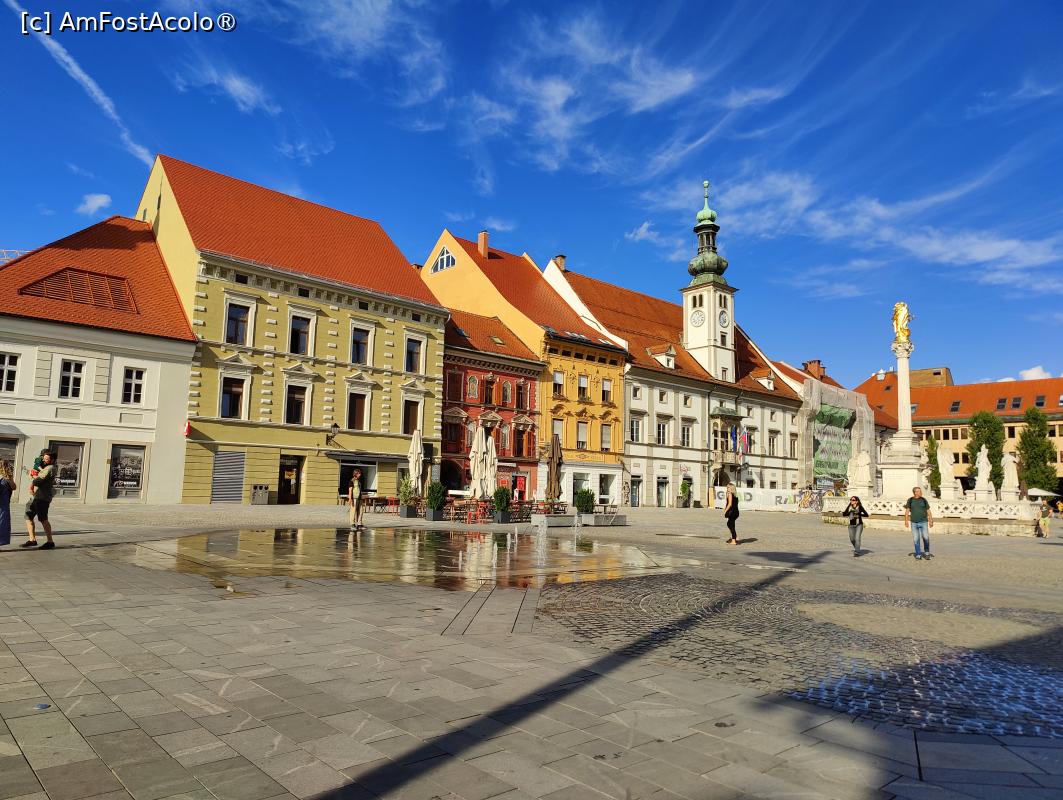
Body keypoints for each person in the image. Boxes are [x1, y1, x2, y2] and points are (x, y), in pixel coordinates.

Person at [24, 451, 56, 549]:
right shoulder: (45, 467)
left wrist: (32, 475)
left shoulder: (50, 468)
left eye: (46, 459)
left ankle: (50, 542)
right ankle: (32, 540)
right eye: (44, 458)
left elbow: (38, 481)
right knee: (28, 516)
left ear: (52, 460)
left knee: (43, 519)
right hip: (36, 497)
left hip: (42, 498)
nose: (44, 460)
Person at [904, 486, 933, 560]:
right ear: (915, 492)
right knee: (916, 539)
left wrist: (931, 520)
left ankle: (927, 552)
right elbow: (907, 511)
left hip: (924, 522)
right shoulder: (910, 500)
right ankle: (918, 554)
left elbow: (928, 510)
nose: (921, 492)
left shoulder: (924, 500)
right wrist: (906, 521)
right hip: (914, 523)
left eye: (920, 491)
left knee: (926, 537)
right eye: (919, 491)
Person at [0, 461, 16, 549]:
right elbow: (14, 487)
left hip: (4, 504)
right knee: (2, 523)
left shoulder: (7, 477)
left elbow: (14, 487)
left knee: (2, 523)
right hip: (4, 504)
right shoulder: (8, 477)